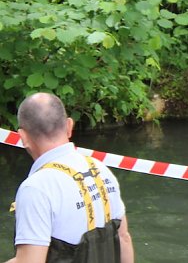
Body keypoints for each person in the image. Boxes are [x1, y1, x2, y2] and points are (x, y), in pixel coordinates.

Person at [4, 93, 134, 263]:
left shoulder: (36, 189)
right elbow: (123, 238)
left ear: (23, 137)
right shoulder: (99, 169)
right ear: (69, 126)